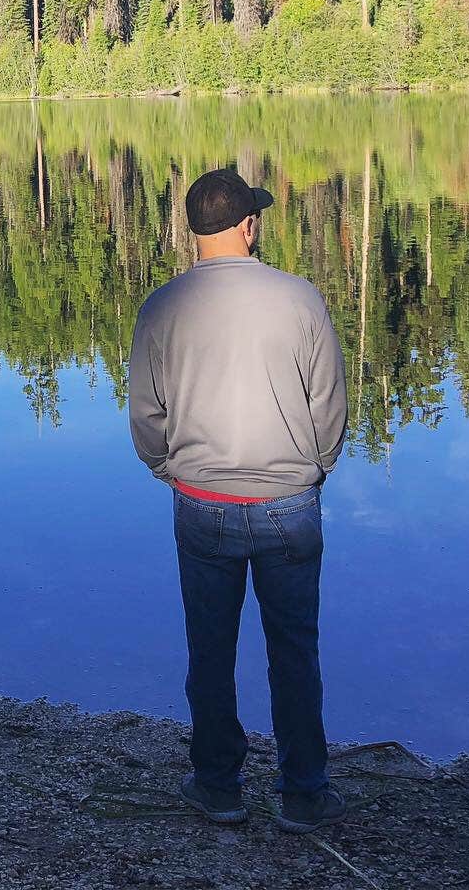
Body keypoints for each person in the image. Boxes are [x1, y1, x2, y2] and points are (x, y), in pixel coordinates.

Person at [128, 167, 349, 834]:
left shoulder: (161, 308)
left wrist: (171, 469)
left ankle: (219, 787)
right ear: (249, 225)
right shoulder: (300, 299)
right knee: (294, 653)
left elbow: (147, 417)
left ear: (193, 232)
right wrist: (312, 472)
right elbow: (330, 409)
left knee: (210, 651)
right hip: (289, 504)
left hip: (202, 503)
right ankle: (304, 795)